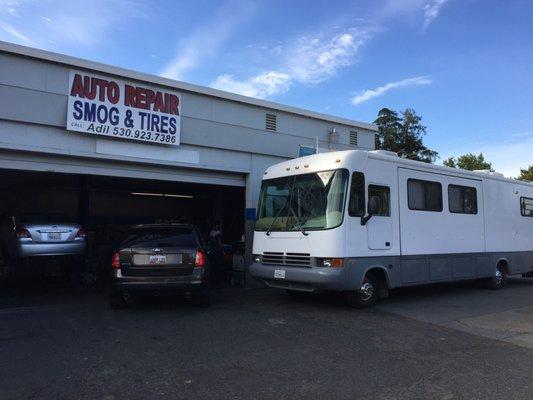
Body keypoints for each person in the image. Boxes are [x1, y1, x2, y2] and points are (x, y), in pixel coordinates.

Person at [209, 221, 225, 286]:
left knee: (214, 266)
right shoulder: (217, 233)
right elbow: (219, 242)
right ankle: (218, 282)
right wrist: (222, 250)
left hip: (213, 250)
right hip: (217, 251)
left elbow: (210, 241)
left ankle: (214, 281)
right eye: (218, 225)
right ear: (217, 225)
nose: (218, 227)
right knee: (218, 266)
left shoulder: (211, 232)